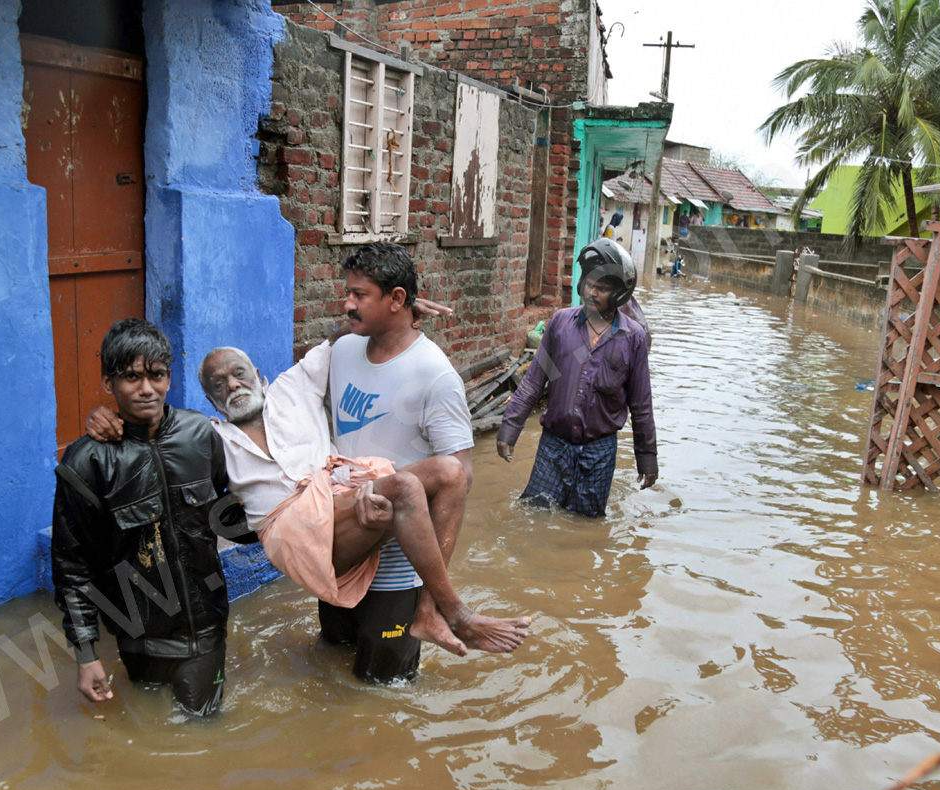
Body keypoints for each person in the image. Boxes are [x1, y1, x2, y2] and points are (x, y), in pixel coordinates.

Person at [198, 341, 528, 666]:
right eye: (218, 384)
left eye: (238, 374)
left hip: (336, 498)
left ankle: (428, 613)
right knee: (403, 488)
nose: (232, 385)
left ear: (257, 374)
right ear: (211, 399)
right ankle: (457, 614)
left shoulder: (292, 387)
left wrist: (402, 305)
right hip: (291, 530)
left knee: (450, 472)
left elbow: (338, 334)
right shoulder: (212, 439)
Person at [325, 242, 530, 681]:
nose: (347, 304)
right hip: (342, 552)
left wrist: (429, 598)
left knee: (383, 694)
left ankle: (435, 612)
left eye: (360, 295)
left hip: (398, 571)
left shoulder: (434, 375)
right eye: (349, 292)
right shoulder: (342, 350)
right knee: (329, 665)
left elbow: (460, 478)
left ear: (396, 299)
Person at [52, 318, 247, 716]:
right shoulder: (88, 461)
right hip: (136, 638)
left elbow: (227, 515)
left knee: (201, 730)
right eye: (131, 377)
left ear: (169, 377)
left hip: (205, 628)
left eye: (156, 375)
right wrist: (86, 654)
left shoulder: (200, 435)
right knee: (146, 723)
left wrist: (286, 515)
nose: (146, 389)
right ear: (109, 383)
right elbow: (72, 564)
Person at [496, 237, 658, 517]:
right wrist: (510, 429)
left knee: (585, 528)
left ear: (619, 294)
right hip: (552, 447)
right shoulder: (560, 324)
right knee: (533, 518)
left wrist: (647, 458)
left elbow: (641, 405)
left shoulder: (633, 339)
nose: (592, 293)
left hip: (599, 452)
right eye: (589, 284)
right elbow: (534, 382)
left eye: (602, 288)